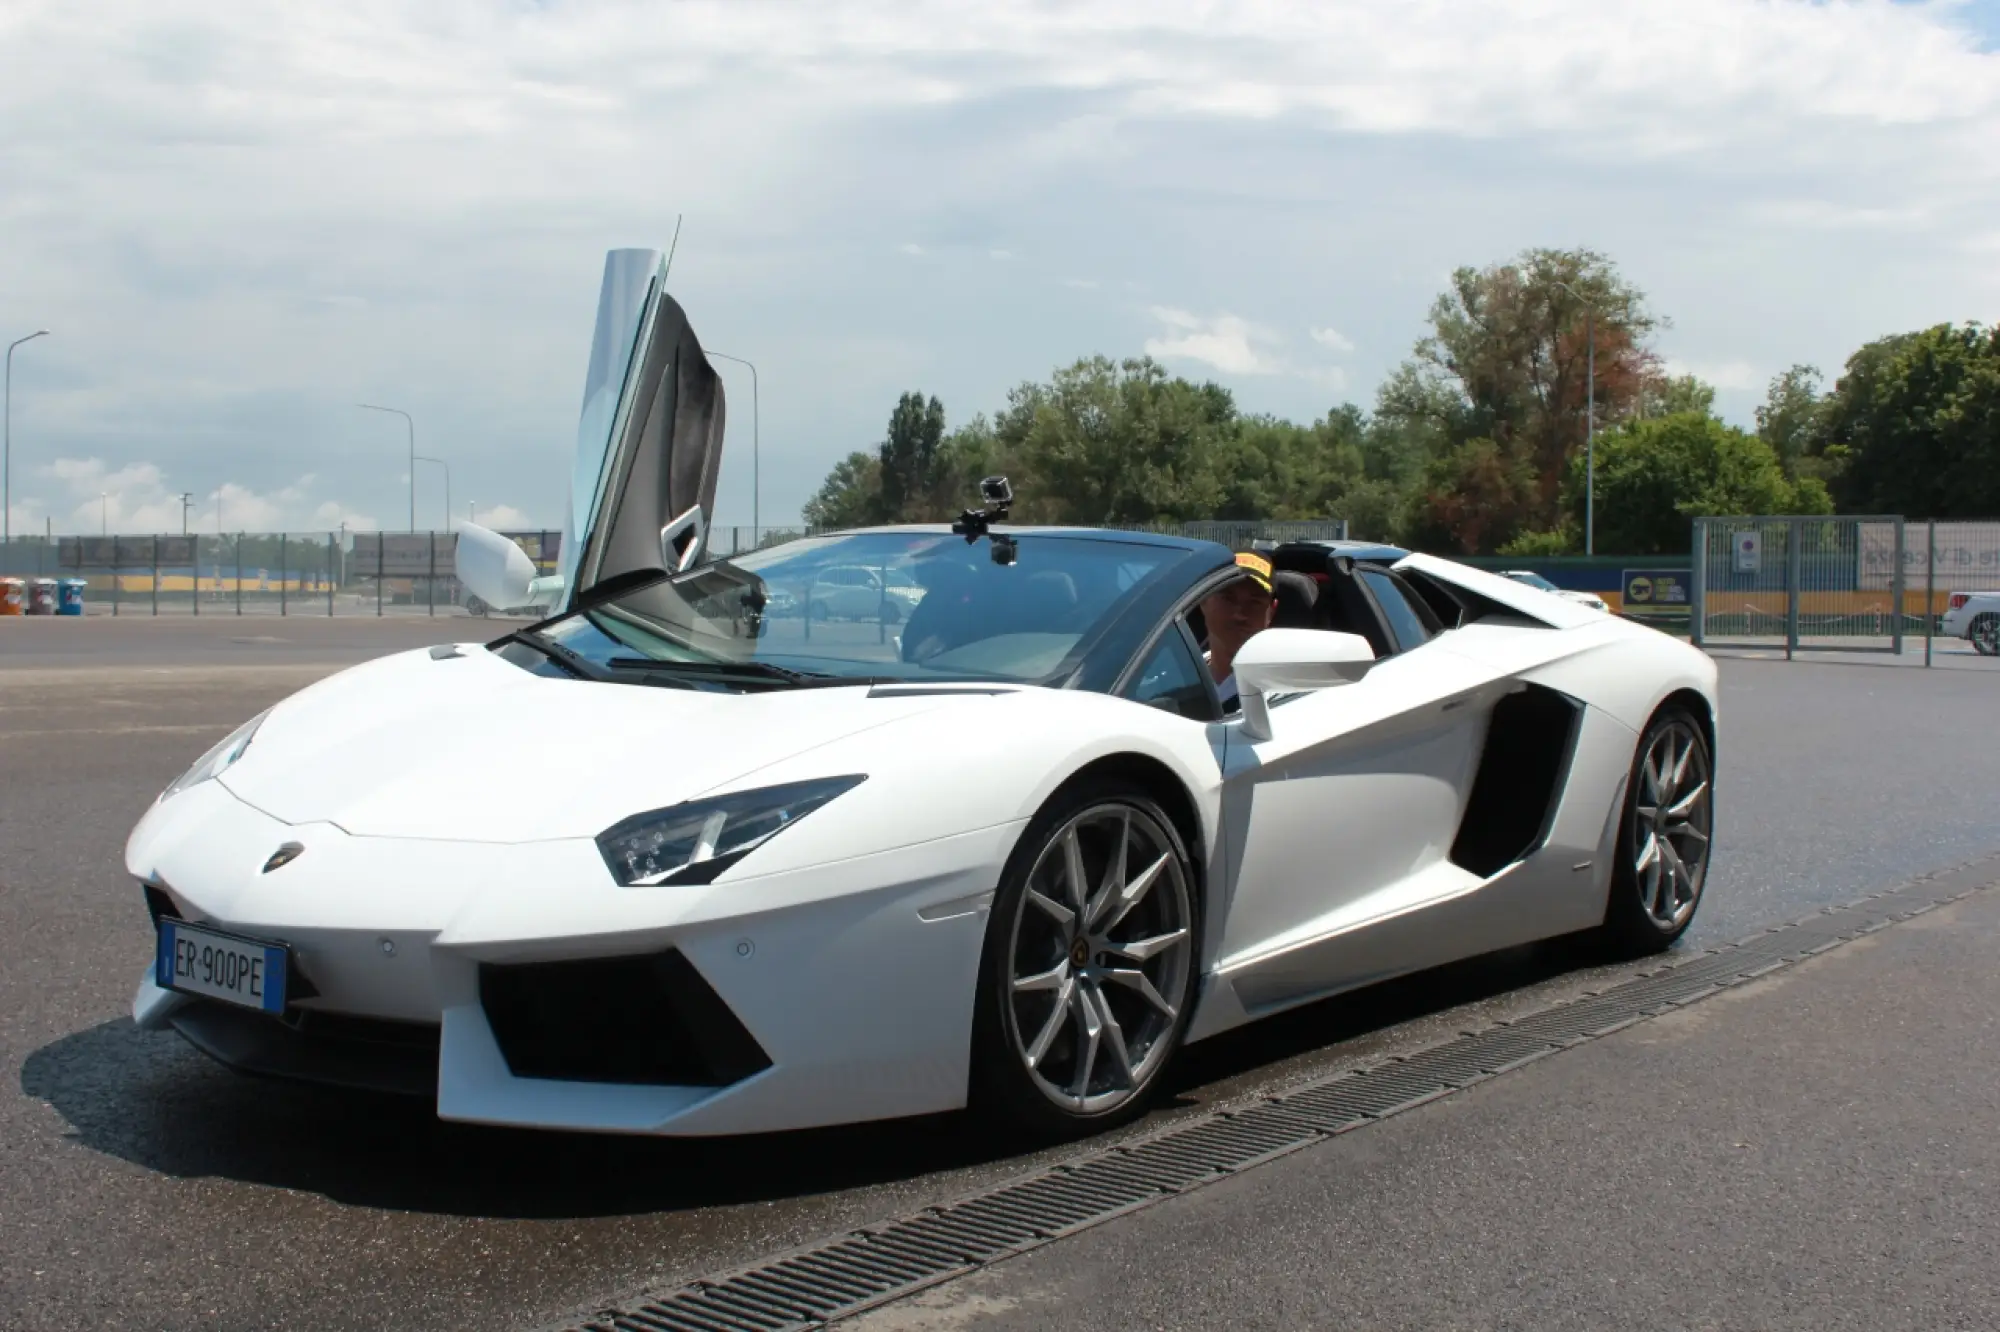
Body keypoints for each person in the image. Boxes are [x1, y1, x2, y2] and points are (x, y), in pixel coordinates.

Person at [1201, 551, 1276, 712]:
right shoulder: (1175, 675)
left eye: (1254, 602)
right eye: (1228, 598)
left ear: (1272, 611)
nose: (1239, 614)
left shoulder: (1280, 694)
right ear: (1203, 600)